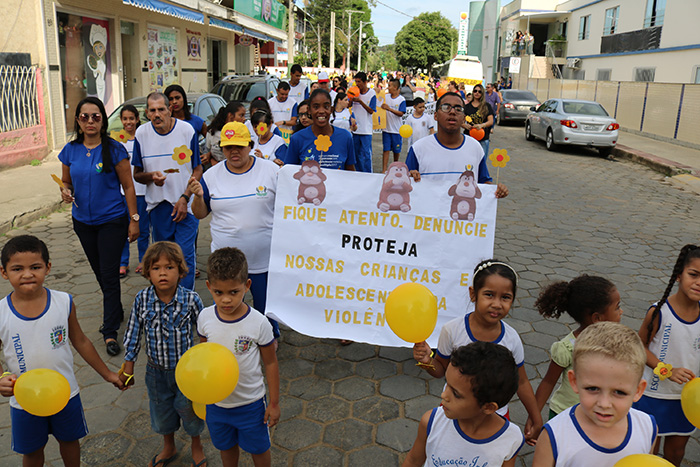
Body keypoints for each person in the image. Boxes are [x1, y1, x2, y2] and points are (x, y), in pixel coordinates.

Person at [0, 235, 124, 466]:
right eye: (17, 269)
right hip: (24, 400)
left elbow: (81, 341)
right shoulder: (1, 313)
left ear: (48, 267)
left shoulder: (63, 302)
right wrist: (1, 378)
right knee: (32, 451)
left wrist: (108, 374)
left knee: (69, 441)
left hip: (66, 393)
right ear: (4, 272)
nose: (27, 274)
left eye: (35, 267)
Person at [412, 260, 543, 445]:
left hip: (495, 416)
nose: (497, 304)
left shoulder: (512, 338)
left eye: (505, 297)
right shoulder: (452, 330)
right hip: (455, 410)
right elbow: (441, 369)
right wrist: (427, 361)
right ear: (473, 294)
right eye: (489, 295)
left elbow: (521, 382)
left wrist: (535, 417)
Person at [58, 96, 139, 356]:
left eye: (96, 116)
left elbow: (129, 186)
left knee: (109, 274)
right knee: (100, 273)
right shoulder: (70, 150)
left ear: (103, 120)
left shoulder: (114, 149)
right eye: (85, 117)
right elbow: (66, 182)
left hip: (112, 221)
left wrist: (134, 219)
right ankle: (115, 309)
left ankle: (110, 331)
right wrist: (65, 191)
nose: (90, 121)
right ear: (78, 120)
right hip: (83, 222)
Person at [189, 121, 281, 338]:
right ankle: (228, 339)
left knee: (265, 307)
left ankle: (269, 339)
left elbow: (290, 207)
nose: (234, 152)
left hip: (263, 259)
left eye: (239, 146)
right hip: (225, 261)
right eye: (228, 147)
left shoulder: (271, 170)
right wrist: (198, 197)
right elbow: (200, 214)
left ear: (250, 145)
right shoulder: (211, 176)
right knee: (227, 306)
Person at [121, 241, 206, 467]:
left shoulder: (191, 299)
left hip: (187, 373)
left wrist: (205, 363)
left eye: (169, 267)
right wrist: (128, 367)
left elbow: (205, 332)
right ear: (148, 272)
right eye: (156, 268)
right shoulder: (142, 299)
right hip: (156, 373)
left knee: (190, 411)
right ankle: (169, 446)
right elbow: (133, 333)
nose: (163, 273)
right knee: (161, 412)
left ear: (181, 271)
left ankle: (196, 445)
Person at [198, 247, 280, 467]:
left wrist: (274, 403)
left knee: (259, 449)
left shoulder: (259, 323)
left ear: (247, 285)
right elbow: (203, 358)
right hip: (217, 404)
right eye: (218, 292)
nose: (226, 300)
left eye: (234, 292)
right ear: (209, 287)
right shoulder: (205, 318)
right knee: (226, 448)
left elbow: (271, 363)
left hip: (250, 404)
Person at [533, 322, 657, 466]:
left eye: (619, 392)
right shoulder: (554, 436)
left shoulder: (647, 428)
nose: (604, 404)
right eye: (593, 389)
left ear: (638, 390)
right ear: (574, 381)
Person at [403, 342, 524, 467]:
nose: (444, 395)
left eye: (456, 394)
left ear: (488, 407)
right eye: (447, 383)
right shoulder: (432, 422)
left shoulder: (511, 438)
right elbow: (413, 461)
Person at [527, 275, 623, 432]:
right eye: (617, 307)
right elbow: (548, 382)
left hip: (598, 416)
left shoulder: (616, 342)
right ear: (597, 318)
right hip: (564, 416)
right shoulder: (568, 348)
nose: (621, 311)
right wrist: (534, 417)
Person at [635, 244, 700, 466]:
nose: (699, 282)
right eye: (694, 274)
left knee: (676, 453)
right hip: (652, 395)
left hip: (687, 399)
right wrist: (666, 370)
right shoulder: (659, 312)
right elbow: (639, 347)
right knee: (649, 452)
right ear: (679, 275)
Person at [132, 92, 202, 291]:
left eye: (161, 109)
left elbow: (197, 169)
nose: (157, 115)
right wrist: (151, 177)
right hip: (159, 207)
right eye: (152, 110)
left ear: (170, 109)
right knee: (165, 260)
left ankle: (186, 300)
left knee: (185, 256)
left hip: (185, 205)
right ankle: (167, 298)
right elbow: (137, 175)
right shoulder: (141, 134)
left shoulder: (186, 130)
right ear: (147, 113)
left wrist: (185, 197)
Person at [406, 92, 509, 199]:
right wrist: (409, 177)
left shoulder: (475, 147)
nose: (452, 112)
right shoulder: (418, 148)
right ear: (435, 116)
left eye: (458, 109)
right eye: (446, 107)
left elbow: (484, 183)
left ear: (464, 118)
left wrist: (496, 190)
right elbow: (404, 186)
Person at [117, 105, 150, 279]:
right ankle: (123, 262)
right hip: (123, 193)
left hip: (142, 192)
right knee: (122, 228)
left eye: (131, 118)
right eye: (125, 119)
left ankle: (144, 260)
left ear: (137, 119)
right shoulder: (117, 141)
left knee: (142, 228)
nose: (128, 122)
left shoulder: (144, 138)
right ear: (121, 120)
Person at [285, 89, 356, 171]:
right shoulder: (297, 139)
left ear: (331, 109)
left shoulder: (345, 137)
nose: (321, 111)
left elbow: (350, 172)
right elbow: (288, 172)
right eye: (316, 107)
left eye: (326, 107)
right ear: (309, 110)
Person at [350, 72, 376, 173]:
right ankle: (359, 173)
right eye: (356, 81)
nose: (357, 84)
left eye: (359, 82)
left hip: (366, 129)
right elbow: (348, 105)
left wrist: (360, 101)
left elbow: (371, 111)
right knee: (356, 154)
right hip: (355, 129)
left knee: (366, 154)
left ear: (365, 82)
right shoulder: (354, 91)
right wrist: (351, 99)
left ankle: (368, 173)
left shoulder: (372, 93)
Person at [204, 101, 246, 166]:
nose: (244, 119)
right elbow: (207, 151)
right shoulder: (212, 132)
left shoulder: (243, 133)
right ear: (230, 116)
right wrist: (211, 159)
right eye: (241, 115)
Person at [380, 78, 407, 172]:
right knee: (386, 150)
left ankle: (395, 168)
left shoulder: (401, 99)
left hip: (396, 130)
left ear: (395, 87)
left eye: (390, 86)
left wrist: (389, 109)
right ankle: (384, 170)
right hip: (386, 130)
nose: (388, 87)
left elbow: (401, 113)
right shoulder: (385, 97)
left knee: (396, 151)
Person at [462, 84, 495, 159]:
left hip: (483, 138)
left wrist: (482, 125)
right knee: (468, 160)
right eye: (475, 91)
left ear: (482, 93)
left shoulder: (486, 106)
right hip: (469, 138)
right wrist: (465, 126)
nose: (477, 93)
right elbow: (460, 121)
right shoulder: (467, 107)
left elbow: (490, 121)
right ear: (473, 92)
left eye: (479, 92)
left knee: (482, 160)